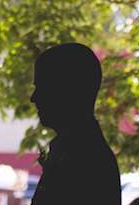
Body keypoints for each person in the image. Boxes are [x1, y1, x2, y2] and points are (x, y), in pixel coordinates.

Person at [29, 42, 121, 205]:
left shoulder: (86, 160)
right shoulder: (74, 150)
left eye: (42, 87)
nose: (34, 98)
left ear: (67, 90)